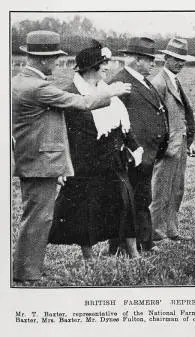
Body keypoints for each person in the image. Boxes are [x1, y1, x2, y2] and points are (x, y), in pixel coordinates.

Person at [12, 31, 131, 282]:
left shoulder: (19, 82)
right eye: (55, 58)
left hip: (33, 160)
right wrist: (113, 91)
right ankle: (27, 273)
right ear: (44, 60)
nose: (57, 63)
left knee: (37, 216)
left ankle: (29, 269)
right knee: (38, 218)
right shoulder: (38, 87)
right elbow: (82, 103)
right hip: (40, 162)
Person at [48, 40, 143, 259]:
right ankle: (89, 257)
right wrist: (61, 166)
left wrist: (134, 147)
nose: (108, 68)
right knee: (85, 211)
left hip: (114, 161)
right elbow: (60, 134)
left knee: (126, 203)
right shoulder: (71, 94)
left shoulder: (107, 91)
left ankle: (133, 253)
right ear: (91, 67)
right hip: (85, 165)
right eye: (104, 64)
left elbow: (122, 125)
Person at [106, 37, 169, 254]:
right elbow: (112, 119)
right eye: (149, 59)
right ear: (137, 60)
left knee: (142, 198)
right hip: (131, 154)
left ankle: (144, 242)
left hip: (146, 153)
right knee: (126, 201)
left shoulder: (143, 81)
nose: (153, 63)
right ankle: (120, 246)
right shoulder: (119, 83)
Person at [148, 38, 195, 242]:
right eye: (176, 59)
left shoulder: (175, 81)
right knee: (161, 190)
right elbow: (154, 118)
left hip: (180, 143)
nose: (180, 64)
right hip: (167, 146)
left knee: (176, 189)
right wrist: (162, 144)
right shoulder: (159, 83)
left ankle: (171, 230)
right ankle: (156, 233)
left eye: (182, 60)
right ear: (165, 58)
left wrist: (187, 141)